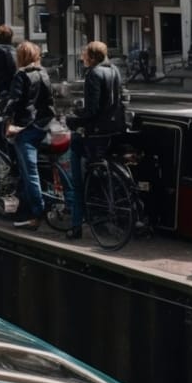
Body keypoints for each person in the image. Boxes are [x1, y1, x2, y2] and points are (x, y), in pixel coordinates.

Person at [65, 40, 125, 241]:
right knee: (101, 170)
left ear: (90, 57)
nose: (82, 56)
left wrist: (74, 119)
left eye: (84, 54)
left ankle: (75, 226)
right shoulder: (114, 70)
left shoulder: (93, 74)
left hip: (96, 133)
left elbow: (92, 110)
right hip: (113, 130)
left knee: (76, 170)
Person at [4, 41, 54, 229]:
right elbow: (49, 100)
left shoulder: (21, 75)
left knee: (30, 173)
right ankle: (25, 208)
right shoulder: (43, 73)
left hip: (25, 128)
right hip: (43, 126)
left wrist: (6, 117)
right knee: (38, 171)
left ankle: (36, 215)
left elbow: (15, 101)